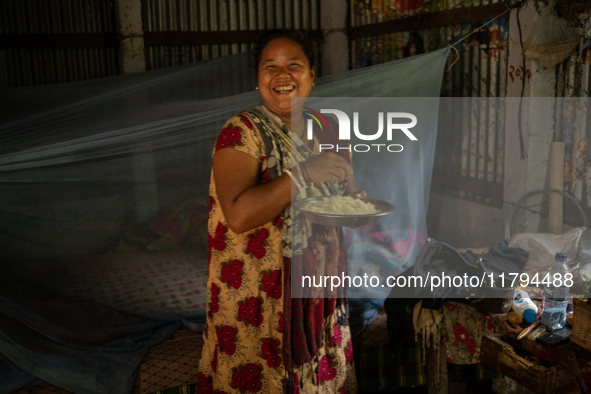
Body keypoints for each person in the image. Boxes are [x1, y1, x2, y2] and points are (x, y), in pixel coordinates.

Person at [198, 29, 364, 394]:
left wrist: (359, 207)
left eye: (294, 65)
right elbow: (239, 215)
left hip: (319, 288)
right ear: (258, 80)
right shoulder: (242, 133)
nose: (282, 75)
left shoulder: (330, 128)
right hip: (259, 295)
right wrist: (303, 174)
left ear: (312, 74)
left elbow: (348, 191)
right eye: (270, 66)